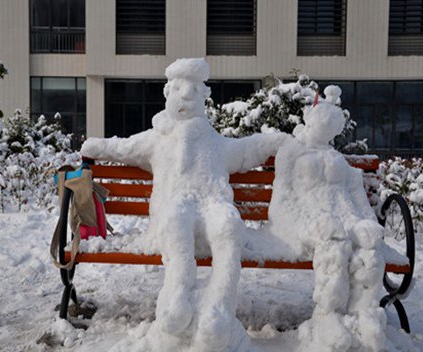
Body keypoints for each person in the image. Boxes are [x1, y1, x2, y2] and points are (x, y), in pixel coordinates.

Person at [82, 58, 288, 351]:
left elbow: (245, 151)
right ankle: (177, 294)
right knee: (177, 222)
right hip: (174, 209)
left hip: (212, 202)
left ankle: (220, 302)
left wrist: (271, 142)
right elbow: (123, 148)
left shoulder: (214, 143)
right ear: (168, 93)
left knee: (229, 226)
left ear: (203, 97)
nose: (185, 96)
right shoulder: (156, 139)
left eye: (192, 89)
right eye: (179, 89)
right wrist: (97, 147)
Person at [268, 86, 386, 352]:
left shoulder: (337, 160)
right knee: (333, 243)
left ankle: (363, 315)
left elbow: (357, 198)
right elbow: (280, 204)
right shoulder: (291, 153)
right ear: (311, 120)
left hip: (345, 218)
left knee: (369, 250)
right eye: (324, 122)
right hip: (307, 221)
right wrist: (303, 227)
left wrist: (367, 222)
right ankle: (328, 318)